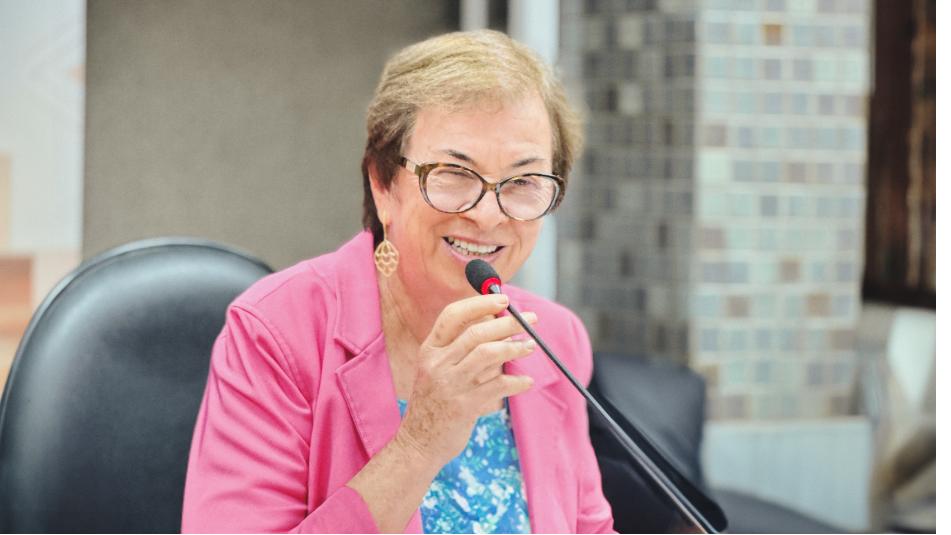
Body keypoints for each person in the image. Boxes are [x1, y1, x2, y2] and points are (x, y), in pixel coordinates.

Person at [181, 29, 615, 533]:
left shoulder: (553, 338)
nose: (488, 214)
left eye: (522, 181)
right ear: (383, 185)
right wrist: (420, 442)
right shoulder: (276, 332)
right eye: (454, 173)